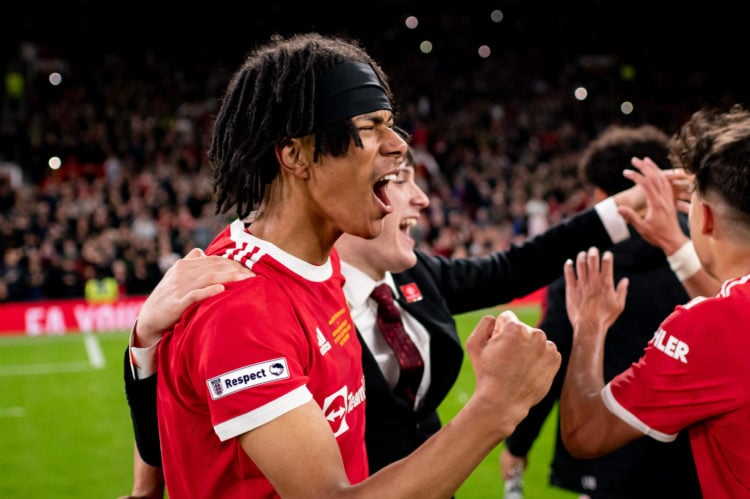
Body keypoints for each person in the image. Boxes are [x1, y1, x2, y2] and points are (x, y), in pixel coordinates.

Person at [135, 31, 561, 499]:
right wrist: (496, 405)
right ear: (296, 154)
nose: (398, 145)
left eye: (390, 124)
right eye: (368, 127)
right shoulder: (240, 307)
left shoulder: (321, 265)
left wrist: (141, 354)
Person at [122, 124, 650, 498]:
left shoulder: (415, 277)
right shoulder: (269, 299)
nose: (422, 200)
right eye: (399, 181)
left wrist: (616, 212)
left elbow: (512, 267)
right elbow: (182, 408)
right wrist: (145, 343)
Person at [500, 124, 702, 498]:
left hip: (606, 452)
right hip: (693, 456)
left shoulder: (585, 265)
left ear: (607, 195)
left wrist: (518, 445)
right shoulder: (705, 252)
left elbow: (551, 361)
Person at [559, 105, 750, 498]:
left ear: (707, 217)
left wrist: (589, 327)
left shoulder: (705, 327)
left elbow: (586, 433)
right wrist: (674, 244)